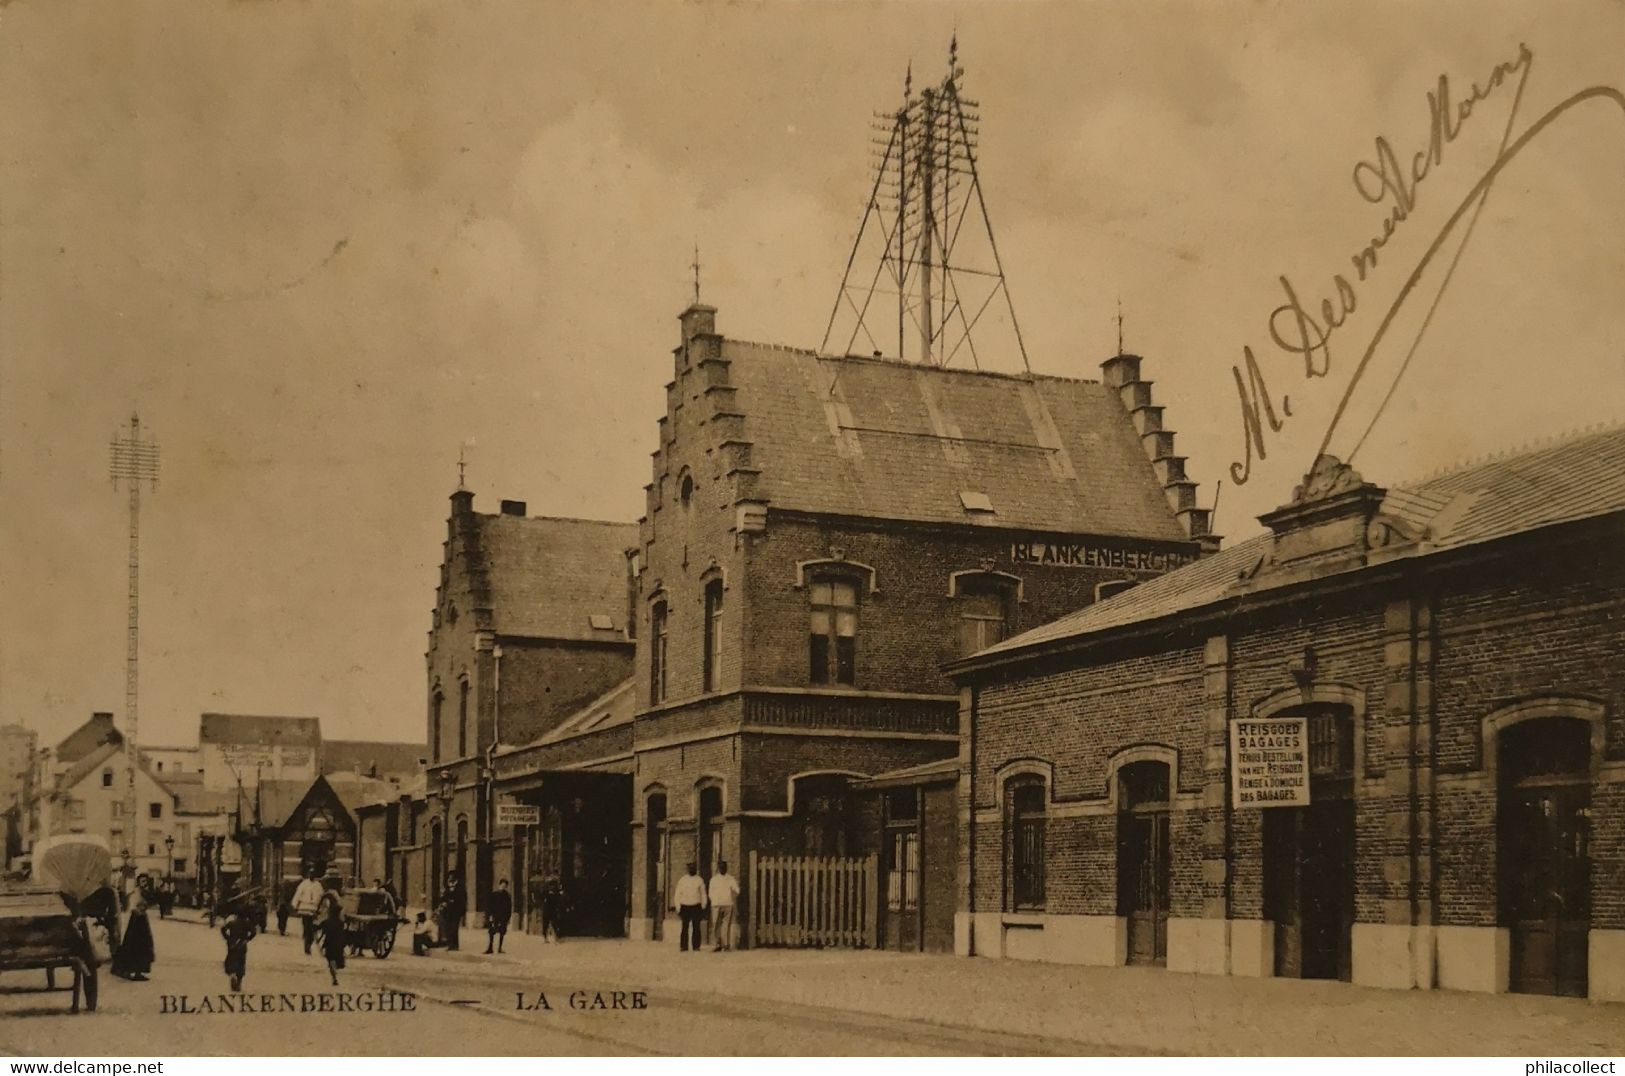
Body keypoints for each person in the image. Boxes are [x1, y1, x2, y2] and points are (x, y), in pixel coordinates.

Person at [110, 894, 155, 981]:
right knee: (136, 956)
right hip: (138, 941)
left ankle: (136, 973)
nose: (144, 908)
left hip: (140, 940)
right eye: (142, 906)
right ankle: (133, 973)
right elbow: (136, 929)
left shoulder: (139, 914)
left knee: (139, 956)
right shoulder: (138, 915)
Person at [220, 904, 257, 992]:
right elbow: (254, 932)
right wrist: (247, 939)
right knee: (241, 963)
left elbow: (223, 929)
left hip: (232, 944)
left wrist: (227, 937)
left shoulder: (232, 922)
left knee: (230, 960)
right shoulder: (247, 923)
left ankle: (232, 975)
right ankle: (239, 981)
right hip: (242, 945)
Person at [672, 861, 707, 953]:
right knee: (684, 927)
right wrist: (678, 906)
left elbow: (703, 894)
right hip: (685, 906)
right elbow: (677, 894)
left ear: (696, 869)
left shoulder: (699, 880)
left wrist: (703, 905)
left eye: (693, 868)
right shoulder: (682, 880)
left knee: (696, 926)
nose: (692, 870)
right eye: (690, 868)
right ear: (687, 870)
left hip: (696, 905)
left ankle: (696, 946)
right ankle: (683, 946)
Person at [315, 888, 347, 986]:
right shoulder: (341, 923)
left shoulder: (327, 922)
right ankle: (335, 975)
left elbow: (317, 927)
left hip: (329, 944)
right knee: (337, 959)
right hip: (339, 945)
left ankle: (334, 977)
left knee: (331, 960)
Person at [708, 859, 740, 952]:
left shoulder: (730, 879)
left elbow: (737, 890)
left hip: (728, 904)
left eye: (724, 867)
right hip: (716, 904)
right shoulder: (714, 879)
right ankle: (717, 944)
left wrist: (731, 896)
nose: (723, 869)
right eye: (721, 867)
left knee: (726, 925)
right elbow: (710, 892)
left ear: (727, 868)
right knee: (716, 925)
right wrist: (714, 900)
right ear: (718, 868)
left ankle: (726, 944)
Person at [290, 870, 325, 955]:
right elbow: (298, 894)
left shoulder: (318, 885)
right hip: (304, 908)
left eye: (313, 874)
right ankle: (307, 945)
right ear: (308, 875)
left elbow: (321, 897)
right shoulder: (304, 884)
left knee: (311, 928)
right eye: (310, 874)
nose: (311, 876)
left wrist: (321, 908)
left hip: (313, 909)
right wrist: (294, 904)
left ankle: (309, 941)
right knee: (306, 927)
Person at [484, 878, 512, 954]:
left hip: (503, 917)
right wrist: (490, 915)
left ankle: (500, 948)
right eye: (502, 885)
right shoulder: (494, 894)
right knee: (492, 932)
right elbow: (490, 906)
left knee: (502, 932)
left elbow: (509, 907)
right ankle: (490, 947)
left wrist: (508, 917)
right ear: (499, 885)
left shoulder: (507, 896)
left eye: (505, 885)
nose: (503, 886)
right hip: (495, 916)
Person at [442, 872, 467, 951]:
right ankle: (451, 944)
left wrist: (451, 901)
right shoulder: (448, 888)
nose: (450, 880)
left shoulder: (460, 888)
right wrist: (444, 902)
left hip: (456, 912)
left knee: (454, 928)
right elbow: (444, 897)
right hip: (448, 912)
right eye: (449, 878)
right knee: (449, 928)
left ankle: (454, 945)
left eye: (452, 878)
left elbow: (462, 900)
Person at [539, 873, 564, 944]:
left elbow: (558, 899)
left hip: (552, 909)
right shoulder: (546, 891)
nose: (552, 886)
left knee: (554, 923)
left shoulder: (556, 892)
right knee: (547, 924)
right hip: (548, 909)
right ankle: (547, 938)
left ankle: (554, 938)